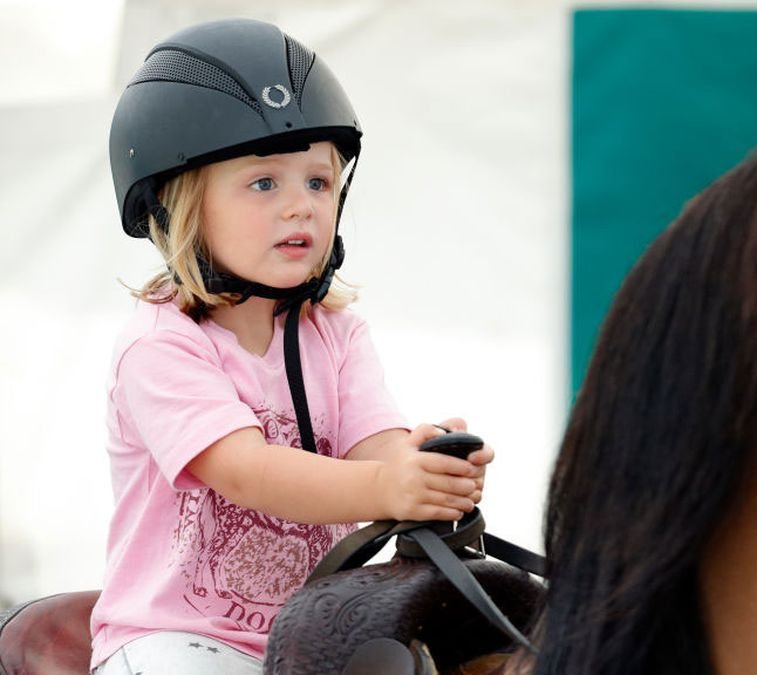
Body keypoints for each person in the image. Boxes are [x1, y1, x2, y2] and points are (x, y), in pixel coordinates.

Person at [89, 18, 493, 674]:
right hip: (178, 639)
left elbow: (376, 449)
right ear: (181, 204)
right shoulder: (161, 344)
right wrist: (390, 485)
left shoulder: (336, 333)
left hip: (313, 632)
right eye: (264, 183)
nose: (301, 205)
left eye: (318, 181)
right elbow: (247, 471)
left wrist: (426, 465)